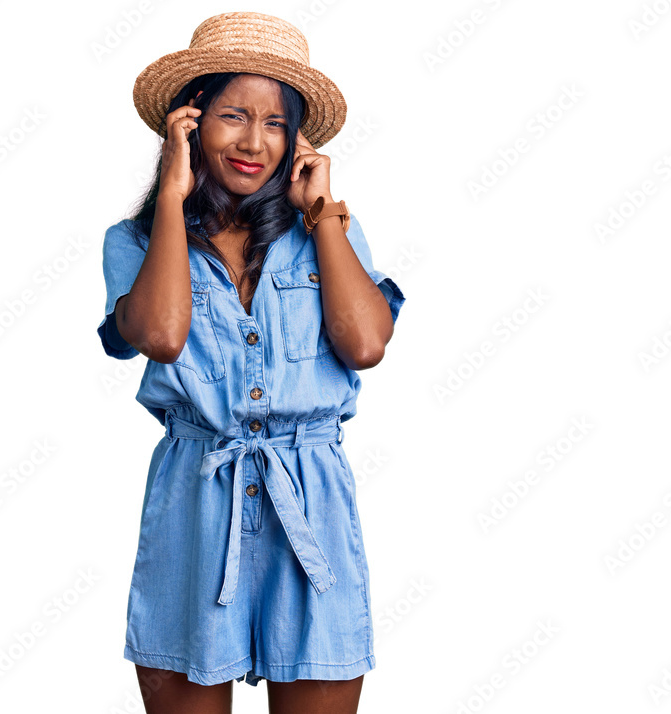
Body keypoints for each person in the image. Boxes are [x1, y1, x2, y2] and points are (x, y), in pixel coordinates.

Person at [97, 12, 405, 714]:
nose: (253, 141)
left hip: (310, 496)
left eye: (275, 124)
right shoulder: (136, 241)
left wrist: (324, 214)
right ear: (189, 122)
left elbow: (366, 346)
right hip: (196, 501)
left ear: (297, 138)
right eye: (233, 115)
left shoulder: (327, 233)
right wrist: (173, 201)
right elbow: (161, 334)